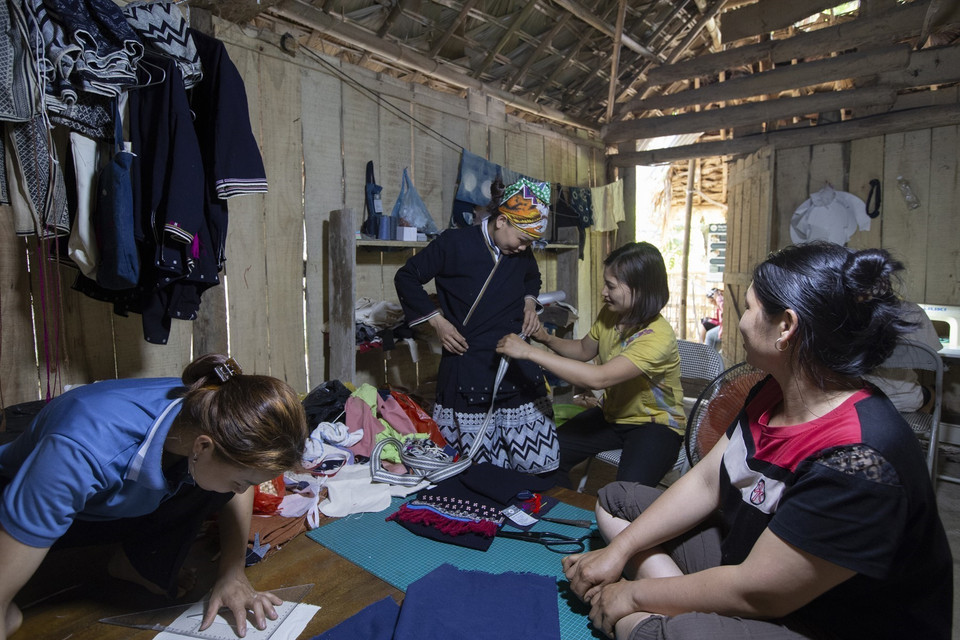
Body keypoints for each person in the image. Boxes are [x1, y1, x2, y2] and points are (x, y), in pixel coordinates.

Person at [561, 242, 952, 640]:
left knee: (661, 629)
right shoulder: (771, 390)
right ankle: (672, 609)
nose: (742, 322)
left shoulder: (857, 460)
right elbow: (706, 480)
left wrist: (632, 595)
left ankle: (667, 616)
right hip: (754, 563)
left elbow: (758, 591)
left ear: (786, 326)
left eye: (749, 308)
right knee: (617, 501)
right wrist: (618, 552)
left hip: (829, 620)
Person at [0, 354, 309, 640]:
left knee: (220, 483)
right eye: (244, 481)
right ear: (202, 447)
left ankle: (134, 563)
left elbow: (238, 477)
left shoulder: (213, 406)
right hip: (21, 496)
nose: (244, 490)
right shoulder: (80, 449)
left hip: (110, 498)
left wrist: (232, 573)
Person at [394, 178, 559, 475]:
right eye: (522, 239)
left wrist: (530, 301)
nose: (524, 248)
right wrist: (438, 322)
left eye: (530, 243)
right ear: (501, 221)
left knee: (533, 466)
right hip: (468, 361)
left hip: (515, 359)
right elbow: (406, 277)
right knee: (476, 470)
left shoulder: (519, 250)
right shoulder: (454, 243)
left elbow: (531, 276)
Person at [496, 242, 685, 488]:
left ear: (640, 289)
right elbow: (584, 350)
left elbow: (598, 378)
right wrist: (545, 338)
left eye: (611, 286)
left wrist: (530, 352)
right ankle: (560, 515)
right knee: (549, 457)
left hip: (654, 426)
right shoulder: (612, 315)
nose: (603, 292)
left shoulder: (657, 336)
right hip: (612, 416)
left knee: (625, 494)